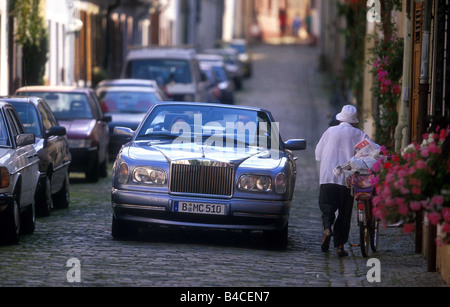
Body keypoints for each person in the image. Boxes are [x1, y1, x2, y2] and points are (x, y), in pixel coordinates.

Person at [315, 105, 379, 257]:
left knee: (327, 207)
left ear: (340, 119)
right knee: (344, 213)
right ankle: (340, 247)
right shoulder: (359, 134)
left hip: (327, 178)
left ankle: (326, 229)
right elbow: (374, 149)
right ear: (354, 121)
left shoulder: (330, 131)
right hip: (347, 180)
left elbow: (318, 154)